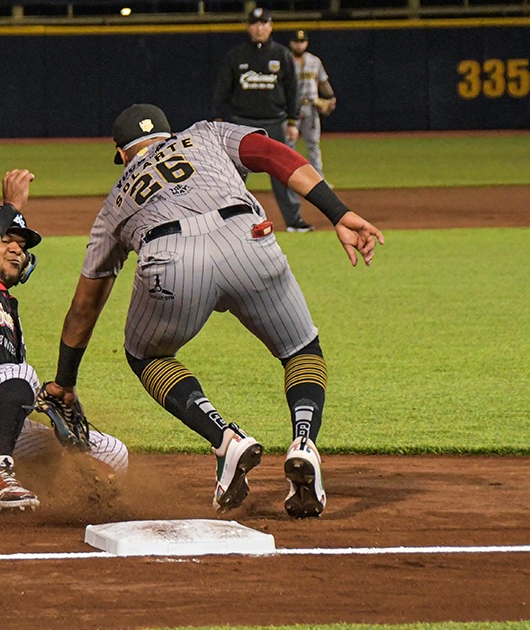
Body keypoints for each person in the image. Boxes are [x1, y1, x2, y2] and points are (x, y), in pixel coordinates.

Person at [43, 104, 383, 518]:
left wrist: (64, 380)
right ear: (168, 134)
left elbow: (85, 305)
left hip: (169, 259)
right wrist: (338, 212)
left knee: (146, 355)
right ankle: (304, 442)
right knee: (300, 349)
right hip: (248, 239)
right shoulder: (206, 133)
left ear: (122, 153)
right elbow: (274, 155)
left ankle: (225, 439)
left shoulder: (115, 202)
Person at [0, 169, 128, 511]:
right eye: (7, 240)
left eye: (22, 245)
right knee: (19, 374)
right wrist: (11, 206)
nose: (17, 249)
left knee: (110, 452)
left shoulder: (10, 311)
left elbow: (8, 397)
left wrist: (60, 416)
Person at [212, 6, 313, 233]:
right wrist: (218, 117)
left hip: (274, 123)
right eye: (255, 24)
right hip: (241, 124)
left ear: (271, 26)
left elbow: (292, 91)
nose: (259, 28)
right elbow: (222, 89)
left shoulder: (281, 54)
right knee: (234, 177)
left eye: (264, 23)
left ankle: (294, 220)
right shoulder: (236, 55)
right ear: (249, 27)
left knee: (283, 174)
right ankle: (226, 223)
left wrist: (292, 121)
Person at [289, 29, 337, 183]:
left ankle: (319, 181)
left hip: (311, 107)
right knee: (288, 147)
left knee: (313, 145)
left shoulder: (314, 61)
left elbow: (322, 81)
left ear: (306, 43)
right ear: (291, 43)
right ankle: (289, 181)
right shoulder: (285, 60)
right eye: (296, 41)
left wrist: (330, 97)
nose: (299, 45)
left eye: (302, 42)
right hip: (291, 109)